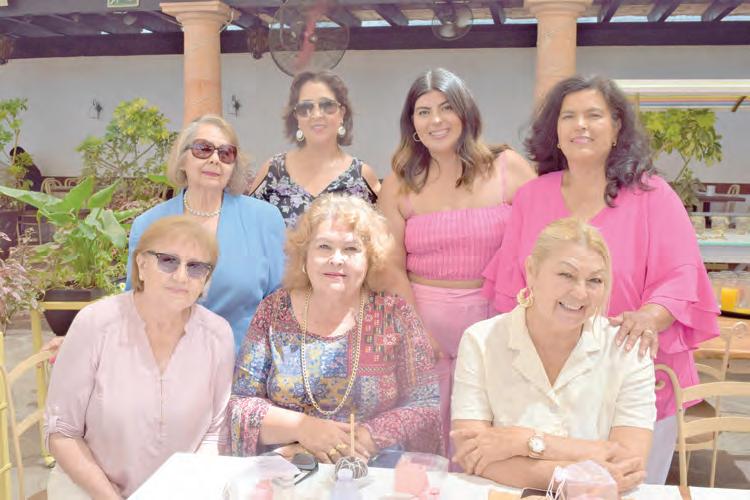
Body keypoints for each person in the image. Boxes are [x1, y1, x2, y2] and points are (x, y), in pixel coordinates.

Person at [481, 75, 719, 484]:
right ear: (555, 132)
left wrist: (649, 317)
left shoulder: (653, 196)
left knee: (626, 484)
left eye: (594, 115)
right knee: (553, 484)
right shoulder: (532, 197)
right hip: (548, 381)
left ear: (617, 127)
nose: (581, 125)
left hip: (633, 378)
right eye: (568, 116)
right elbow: (511, 288)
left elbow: (682, 276)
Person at [378, 68, 536, 450]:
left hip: (498, 319)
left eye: (447, 107)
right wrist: (416, 330)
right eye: (424, 111)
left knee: (491, 432)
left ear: (466, 113)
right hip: (424, 321)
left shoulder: (507, 166)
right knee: (426, 439)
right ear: (413, 125)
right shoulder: (399, 181)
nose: (436, 120)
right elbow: (388, 265)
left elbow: (542, 244)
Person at [228, 194, 441, 464]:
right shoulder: (274, 310)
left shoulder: (394, 314)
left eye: (351, 249)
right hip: (288, 467)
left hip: (373, 465)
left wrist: (365, 438)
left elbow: (425, 404)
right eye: (324, 247)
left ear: (370, 259)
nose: (336, 259)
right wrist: (304, 429)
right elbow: (242, 404)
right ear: (304, 256)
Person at [452, 217, 655, 493]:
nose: (580, 293)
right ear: (532, 272)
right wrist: (579, 469)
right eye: (566, 275)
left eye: (594, 280)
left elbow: (628, 465)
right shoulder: (481, 341)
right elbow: (471, 455)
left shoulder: (628, 349)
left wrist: (523, 441)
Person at [45, 216, 234, 499]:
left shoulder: (218, 335)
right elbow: (62, 432)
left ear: (206, 279)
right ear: (141, 265)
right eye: (168, 261)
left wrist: (189, 489)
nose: (181, 277)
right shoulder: (94, 324)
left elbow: (215, 431)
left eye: (195, 267)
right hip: (90, 492)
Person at [127, 114, 285, 351]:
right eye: (203, 149)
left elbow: (281, 302)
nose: (214, 159)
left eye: (226, 153)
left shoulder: (264, 219)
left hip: (242, 363)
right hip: (166, 359)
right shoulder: (148, 224)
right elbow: (136, 302)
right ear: (182, 160)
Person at [248, 71, 380, 227]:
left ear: (342, 114)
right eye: (305, 108)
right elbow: (247, 227)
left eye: (327, 106)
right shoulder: (273, 171)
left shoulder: (362, 176)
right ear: (296, 117)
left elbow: (382, 235)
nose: (316, 114)